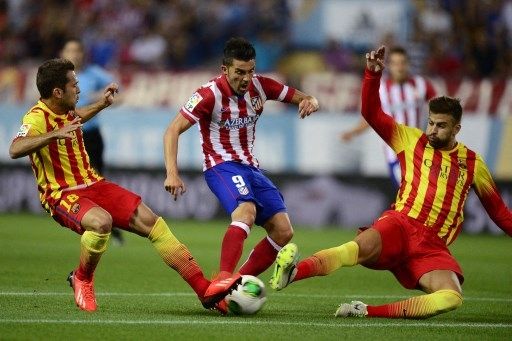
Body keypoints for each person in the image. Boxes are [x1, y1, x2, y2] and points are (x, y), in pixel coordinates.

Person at [270, 46, 512, 319]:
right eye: (430, 123)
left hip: (432, 246)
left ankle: (366, 312)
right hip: (400, 223)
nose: (432, 130)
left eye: (440, 126)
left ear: (456, 128)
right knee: (354, 249)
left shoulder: (472, 163)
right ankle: (294, 273)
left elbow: (500, 213)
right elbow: (372, 113)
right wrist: (372, 75)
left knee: (451, 298)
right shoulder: (410, 139)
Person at [9, 58, 239, 314]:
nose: (79, 88)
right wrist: (52, 134)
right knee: (101, 223)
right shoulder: (36, 117)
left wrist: (102, 104)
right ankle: (82, 278)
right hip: (60, 194)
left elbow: (77, 116)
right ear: (57, 92)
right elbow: (15, 148)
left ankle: (205, 290)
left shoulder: (66, 110)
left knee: (153, 223)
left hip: (94, 184)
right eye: (74, 84)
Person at [163, 37, 319, 292]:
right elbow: (172, 130)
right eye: (239, 72)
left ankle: (232, 287)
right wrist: (172, 173)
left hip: (251, 168)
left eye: (250, 71)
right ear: (225, 70)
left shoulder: (262, 86)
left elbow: (301, 97)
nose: (246, 79)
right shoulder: (207, 95)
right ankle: (222, 281)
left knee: (283, 231)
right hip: (220, 166)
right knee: (246, 212)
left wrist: (310, 101)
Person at [341, 46, 436, 188]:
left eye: (403, 63)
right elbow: (370, 118)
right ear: (389, 66)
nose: (400, 67)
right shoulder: (381, 88)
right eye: (396, 63)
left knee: (423, 193)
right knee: (409, 191)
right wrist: (352, 132)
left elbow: (439, 110)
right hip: (394, 153)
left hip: (420, 150)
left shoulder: (422, 85)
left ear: (408, 64)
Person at [60, 39, 124, 245]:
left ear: (83, 54)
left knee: (97, 180)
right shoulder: (57, 76)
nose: (74, 54)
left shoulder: (94, 73)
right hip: (65, 136)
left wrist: (97, 97)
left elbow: (118, 95)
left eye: (77, 50)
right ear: (63, 52)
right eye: (70, 50)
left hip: (90, 136)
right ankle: (85, 221)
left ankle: (110, 227)